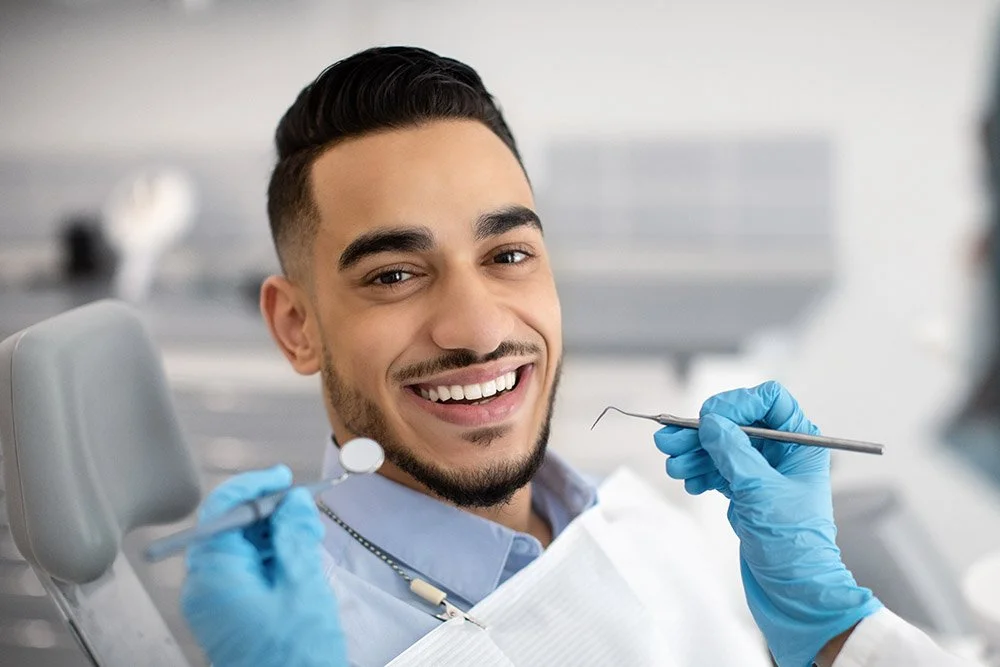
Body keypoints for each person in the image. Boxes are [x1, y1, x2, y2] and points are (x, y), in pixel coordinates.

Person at [180, 47, 980, 667]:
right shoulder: (304, 633)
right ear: (297, 327)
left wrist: (835, 630)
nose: (476, 328)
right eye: (394, 274)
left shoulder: (645, 531)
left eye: (508, 255)